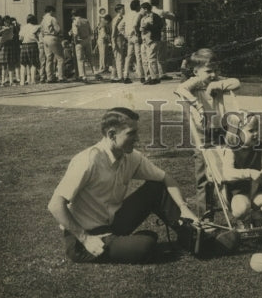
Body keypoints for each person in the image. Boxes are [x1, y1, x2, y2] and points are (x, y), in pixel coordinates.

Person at [48, 106, 199, 264]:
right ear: (112, 135)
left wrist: (184, 208)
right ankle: (137, 240)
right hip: (85, 237)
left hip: (113, 224)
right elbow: (55, 205)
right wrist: (85, 239)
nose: (138, 138)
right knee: (145, 246)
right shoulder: (88, 160)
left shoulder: (131, 157)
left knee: (155, 188)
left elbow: (165, 178)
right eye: (131, 133)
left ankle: (192, 236)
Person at [175, 49, 238, 216]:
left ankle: (237, 211)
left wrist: (218, 84)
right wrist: (198, 105)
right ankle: (206, 217)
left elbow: (236, 82)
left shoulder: (216, 81)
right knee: (204, 178)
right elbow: (180, 89)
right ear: (196, 71)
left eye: (215, 70)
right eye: (208, 71)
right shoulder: (195, 83)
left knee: (227, 172)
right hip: (202, 135)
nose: (213, 74)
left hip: (220, 131)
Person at [220, 113, 262, 224]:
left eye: (257, 130)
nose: (256, 133)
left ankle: (256, 216)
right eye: (251, 131)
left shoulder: (257, 147)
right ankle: (245, 219)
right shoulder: (231, 150)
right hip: (239, 192)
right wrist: (249, 173)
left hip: (258, 191)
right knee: (242, 209)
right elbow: (227, 173)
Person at [137, 2, 163, 85]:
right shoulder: (143, 18)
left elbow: (159, 27)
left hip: (153, 40)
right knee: (145, 60)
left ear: (145, 9)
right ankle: (148, 77)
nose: (140, 11)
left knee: (151, 59)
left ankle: (155, 78)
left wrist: (148, 26)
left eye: (142, 9)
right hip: (144, 41)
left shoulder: (155, 16)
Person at [41, 4, 64, 82]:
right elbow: (58, 29)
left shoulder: (43, 19)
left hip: (45, 38)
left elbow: (41, 30)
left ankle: (49, 77)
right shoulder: (52, 18)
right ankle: (61, 77)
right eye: (53, 12)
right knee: (60, 58)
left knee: (49, 58)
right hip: (52, 37)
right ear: (51, 11)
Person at [70, 10, 93, 83]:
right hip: (87, 40)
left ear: (73, 15)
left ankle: (83, 75)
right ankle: (94, 72)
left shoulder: (75, 22)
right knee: (90, 57)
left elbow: (75, 33)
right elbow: (91, 32)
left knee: (80, 59)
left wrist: (74, 39)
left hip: (79, 41)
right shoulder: (86, 21)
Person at [19, 14, 41, 85]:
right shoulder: (36, 27)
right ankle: (33, 80)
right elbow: (39, 36)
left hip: (24, 45)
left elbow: (20, 38)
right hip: (33, 45)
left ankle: (22, 81)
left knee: (23, 64)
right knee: (33, 63)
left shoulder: (23, 27)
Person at [110, 3, 127, 82]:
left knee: (117, 58)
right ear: (119, 10)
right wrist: (114, 42)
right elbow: (113, 32)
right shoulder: (116, 19)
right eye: (123, 9)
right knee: (119, 58)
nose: (124, 10)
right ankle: (120, 77)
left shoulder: (121, 18)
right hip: (117, 39)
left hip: (121, 39)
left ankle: (113, 76)